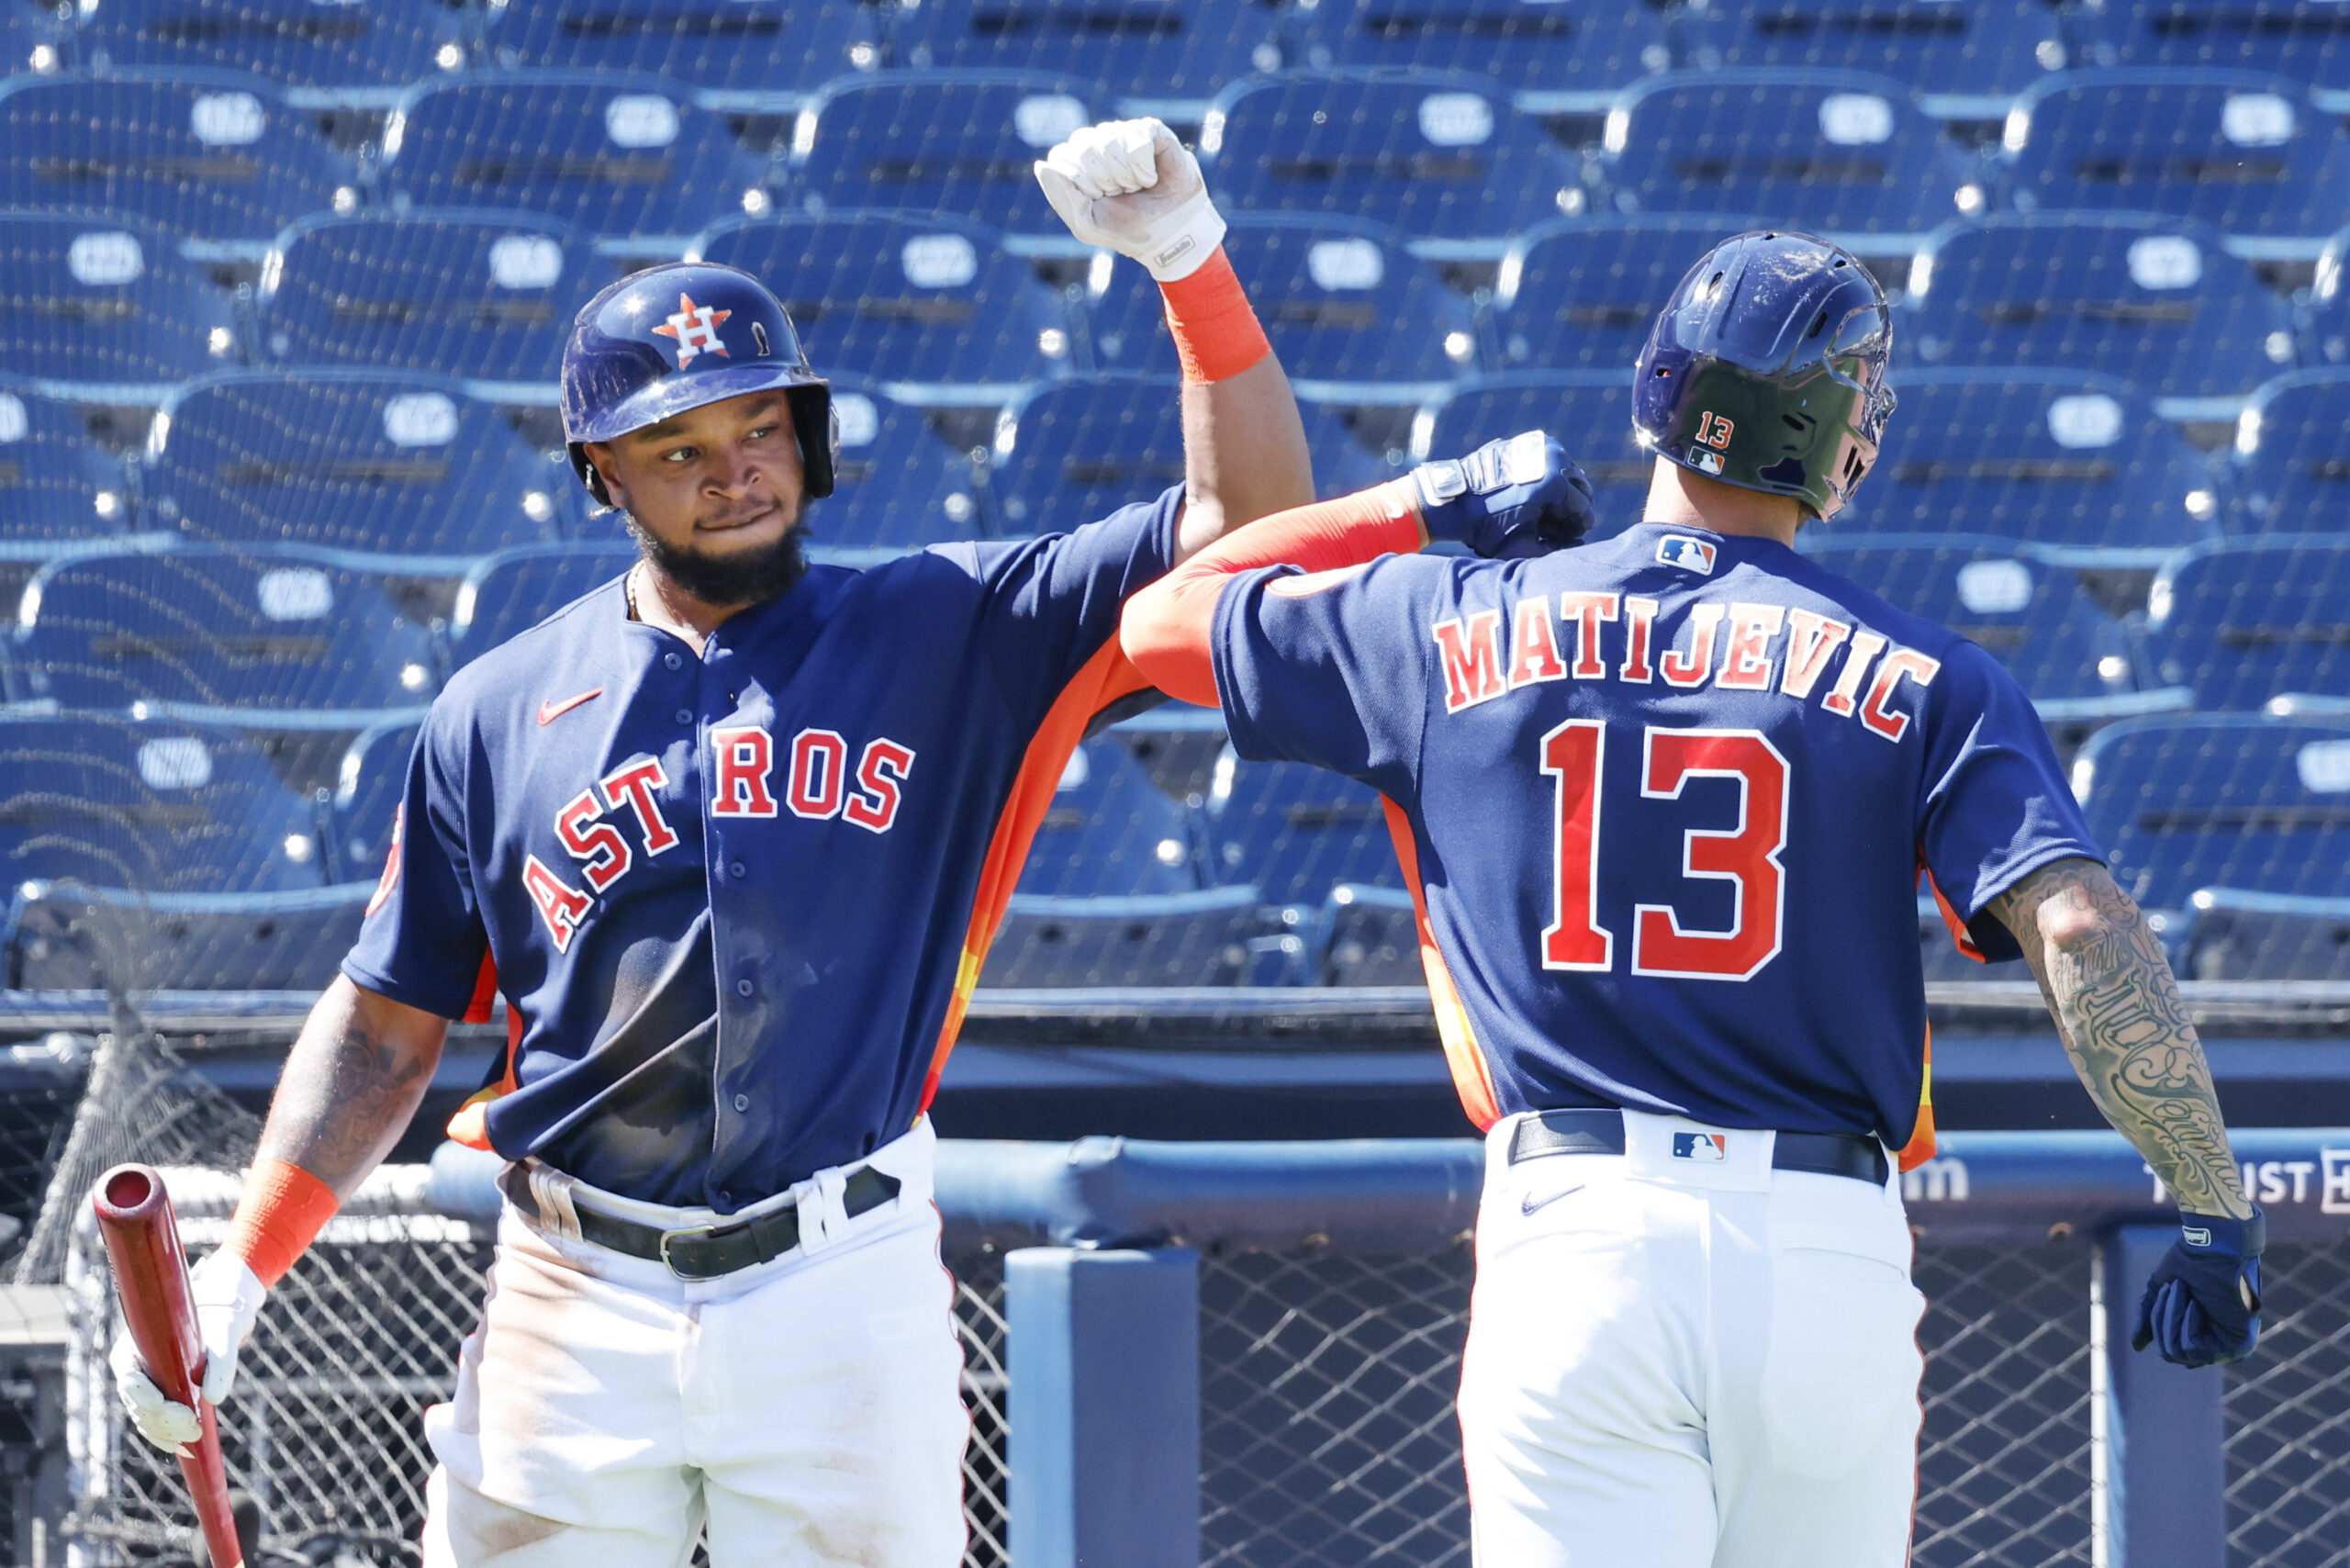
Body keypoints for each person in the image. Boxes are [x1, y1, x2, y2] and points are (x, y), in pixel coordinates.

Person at [108, 118, 1323, 1566]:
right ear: (605, 475)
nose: (733, 468)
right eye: (677, 445)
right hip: (573, 1293)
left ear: (808, 437)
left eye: (759, 428)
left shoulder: (952, 629)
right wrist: (244, 1266)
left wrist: (1192, 265)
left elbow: (1258, 532)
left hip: (840, 1279)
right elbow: (386, 1029)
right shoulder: (497, 710)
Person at [1118, 230, 2264, 1566]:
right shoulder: (1929, 673)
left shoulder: (1442, 616)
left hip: (1580, 1240)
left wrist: (1426, 504)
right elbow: (2077, 925)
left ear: (1660, 387)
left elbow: (1161, 619)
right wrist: (2208, 1197)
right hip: (1824, 1249)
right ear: (1841, 435)